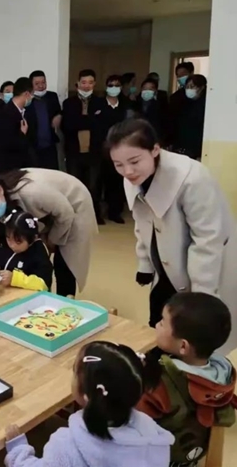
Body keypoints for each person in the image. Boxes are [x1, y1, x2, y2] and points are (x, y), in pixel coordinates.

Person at [107, 118, 237, 353]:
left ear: (155, 149)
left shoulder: (192, 178)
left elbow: (207, 241)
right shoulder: (132, 177)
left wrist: (201, 297)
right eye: (118, 164)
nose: (127, 171)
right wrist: (145, 263)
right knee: (160, 324)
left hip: (203, 268)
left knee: (193, 338)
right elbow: (142, 222)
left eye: (134, 161)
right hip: (165, 266)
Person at [4, 341, 174, 467]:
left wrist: (18, 451)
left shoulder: (67, 445)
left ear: (87, 396)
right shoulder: (152, 435)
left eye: (74, 372)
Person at [138, 293, 236, 467]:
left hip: (162, 459)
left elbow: (133, 419)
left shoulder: (163, 382)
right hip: (191, 456)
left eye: (162, 322)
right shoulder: (222, 373)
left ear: (183, 346)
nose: (156, 325)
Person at [0, 169, 96, 297]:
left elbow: (66, 214)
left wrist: (51, 241)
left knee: (65, 261)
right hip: (50, 209)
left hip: (73, 205)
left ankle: (64, 300)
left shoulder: (32, 193)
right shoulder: (4, 201)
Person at [61, 69, 105, 223]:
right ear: (78, 83)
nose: (87, 86)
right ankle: (75, 215)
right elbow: (68, 126)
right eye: (84, 82)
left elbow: (100, 127)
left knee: (94, 186)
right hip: (74, 151)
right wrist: (89, 120)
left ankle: (95, 215)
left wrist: (82, 120)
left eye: (90, 83)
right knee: (75, 186)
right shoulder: (68, 103)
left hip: (94, 151)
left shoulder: (100, 102)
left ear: (95, 84)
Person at [0, 209, 53, 291]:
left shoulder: (39, 252)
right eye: (8, 238)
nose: (12, 245)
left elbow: (43, 284)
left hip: (27, 296)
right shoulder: (5, 244)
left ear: (32, 238)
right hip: (5, 293)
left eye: (18, 242)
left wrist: (15, 279)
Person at [95, 74, 128, 224]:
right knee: (98, 182)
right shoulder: (98, 104)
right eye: (111, 85)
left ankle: (115, 212)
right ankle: (97, 214)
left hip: (120, 148)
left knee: (117, 182)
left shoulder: (125, 106)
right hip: (100, 148)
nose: (114, 88)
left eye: (117, 85)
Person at [0, 77, 35, 176]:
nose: (32, 97)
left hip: (23, 167)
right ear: (27, 94)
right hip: (9, 169)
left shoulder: (25, 112)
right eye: (32, 94)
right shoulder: (4, 113)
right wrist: (22, 134)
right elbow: (5, 143)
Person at [25, 70, 61, 170]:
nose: (41, 86)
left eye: (43, 82)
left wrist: (59, 116)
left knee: (52, 173)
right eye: (37, 84)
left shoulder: (52, 97)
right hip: (32, 146)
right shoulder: (27, 100)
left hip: (49, 145)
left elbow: (59, 111)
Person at [171, 74, 207, 160]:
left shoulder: (206, 105)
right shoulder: (182, 103)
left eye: (192, 87)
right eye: (187, 87)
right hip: (182, 148)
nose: (189, 89)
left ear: (201, 88)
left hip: (198, 150)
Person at [133, 78, 167, 143]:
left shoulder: (161, 106)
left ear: (155, 91)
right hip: (137, 138)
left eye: (150, 89)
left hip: (154, 139)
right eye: (145, 89)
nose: (147, 91)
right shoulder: (134, 103)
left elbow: (164, 126)